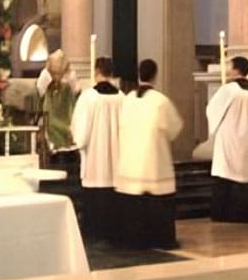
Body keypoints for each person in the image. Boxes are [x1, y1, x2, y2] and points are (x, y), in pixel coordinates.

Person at [114, 59, 182, 249]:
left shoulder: (127, 99)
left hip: (130, 161)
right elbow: (174, 129)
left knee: (133, 201)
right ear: (155, 76)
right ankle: (158, 238)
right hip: (153, 161)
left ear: (139, 74)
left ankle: (132, 237)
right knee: (155, 201)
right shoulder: (160, 101)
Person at [70, 57, 123, 240]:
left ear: (96, 72)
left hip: (95, 159)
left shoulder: (88, 97)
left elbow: (81, 133)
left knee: (95, 194)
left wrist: (78, 142)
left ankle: (94, 231)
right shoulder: (122, 97)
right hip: (117, 161)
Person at [206, 56, 248, 223]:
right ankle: (246, 212)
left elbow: (212, 109)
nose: (228, 69)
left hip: (229, 138)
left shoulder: (229, 90)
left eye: (230, 66)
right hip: (247, 138)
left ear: (237, 69)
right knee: (244, 171)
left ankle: (224, 212)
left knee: (226, 170)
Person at [38, 50, 79, 151]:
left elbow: (76, 93)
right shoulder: (45, 75)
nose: (56, 76)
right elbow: (41, 90)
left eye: (59, 73)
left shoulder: (70, 77)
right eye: (54, 73)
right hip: (51, 117)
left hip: (67, 115)